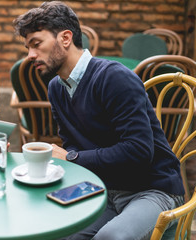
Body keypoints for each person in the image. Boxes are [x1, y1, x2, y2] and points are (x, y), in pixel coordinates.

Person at [13, 1, 184, 239]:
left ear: (65, 38)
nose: (30, 55)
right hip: (102, 188)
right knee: (49, 228)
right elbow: (71, 142)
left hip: (153, 190)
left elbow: (139, 150)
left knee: (110, 237)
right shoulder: (56, 88)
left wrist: (71, 157)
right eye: (28, 47)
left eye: (36, 44)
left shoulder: (114, 78)